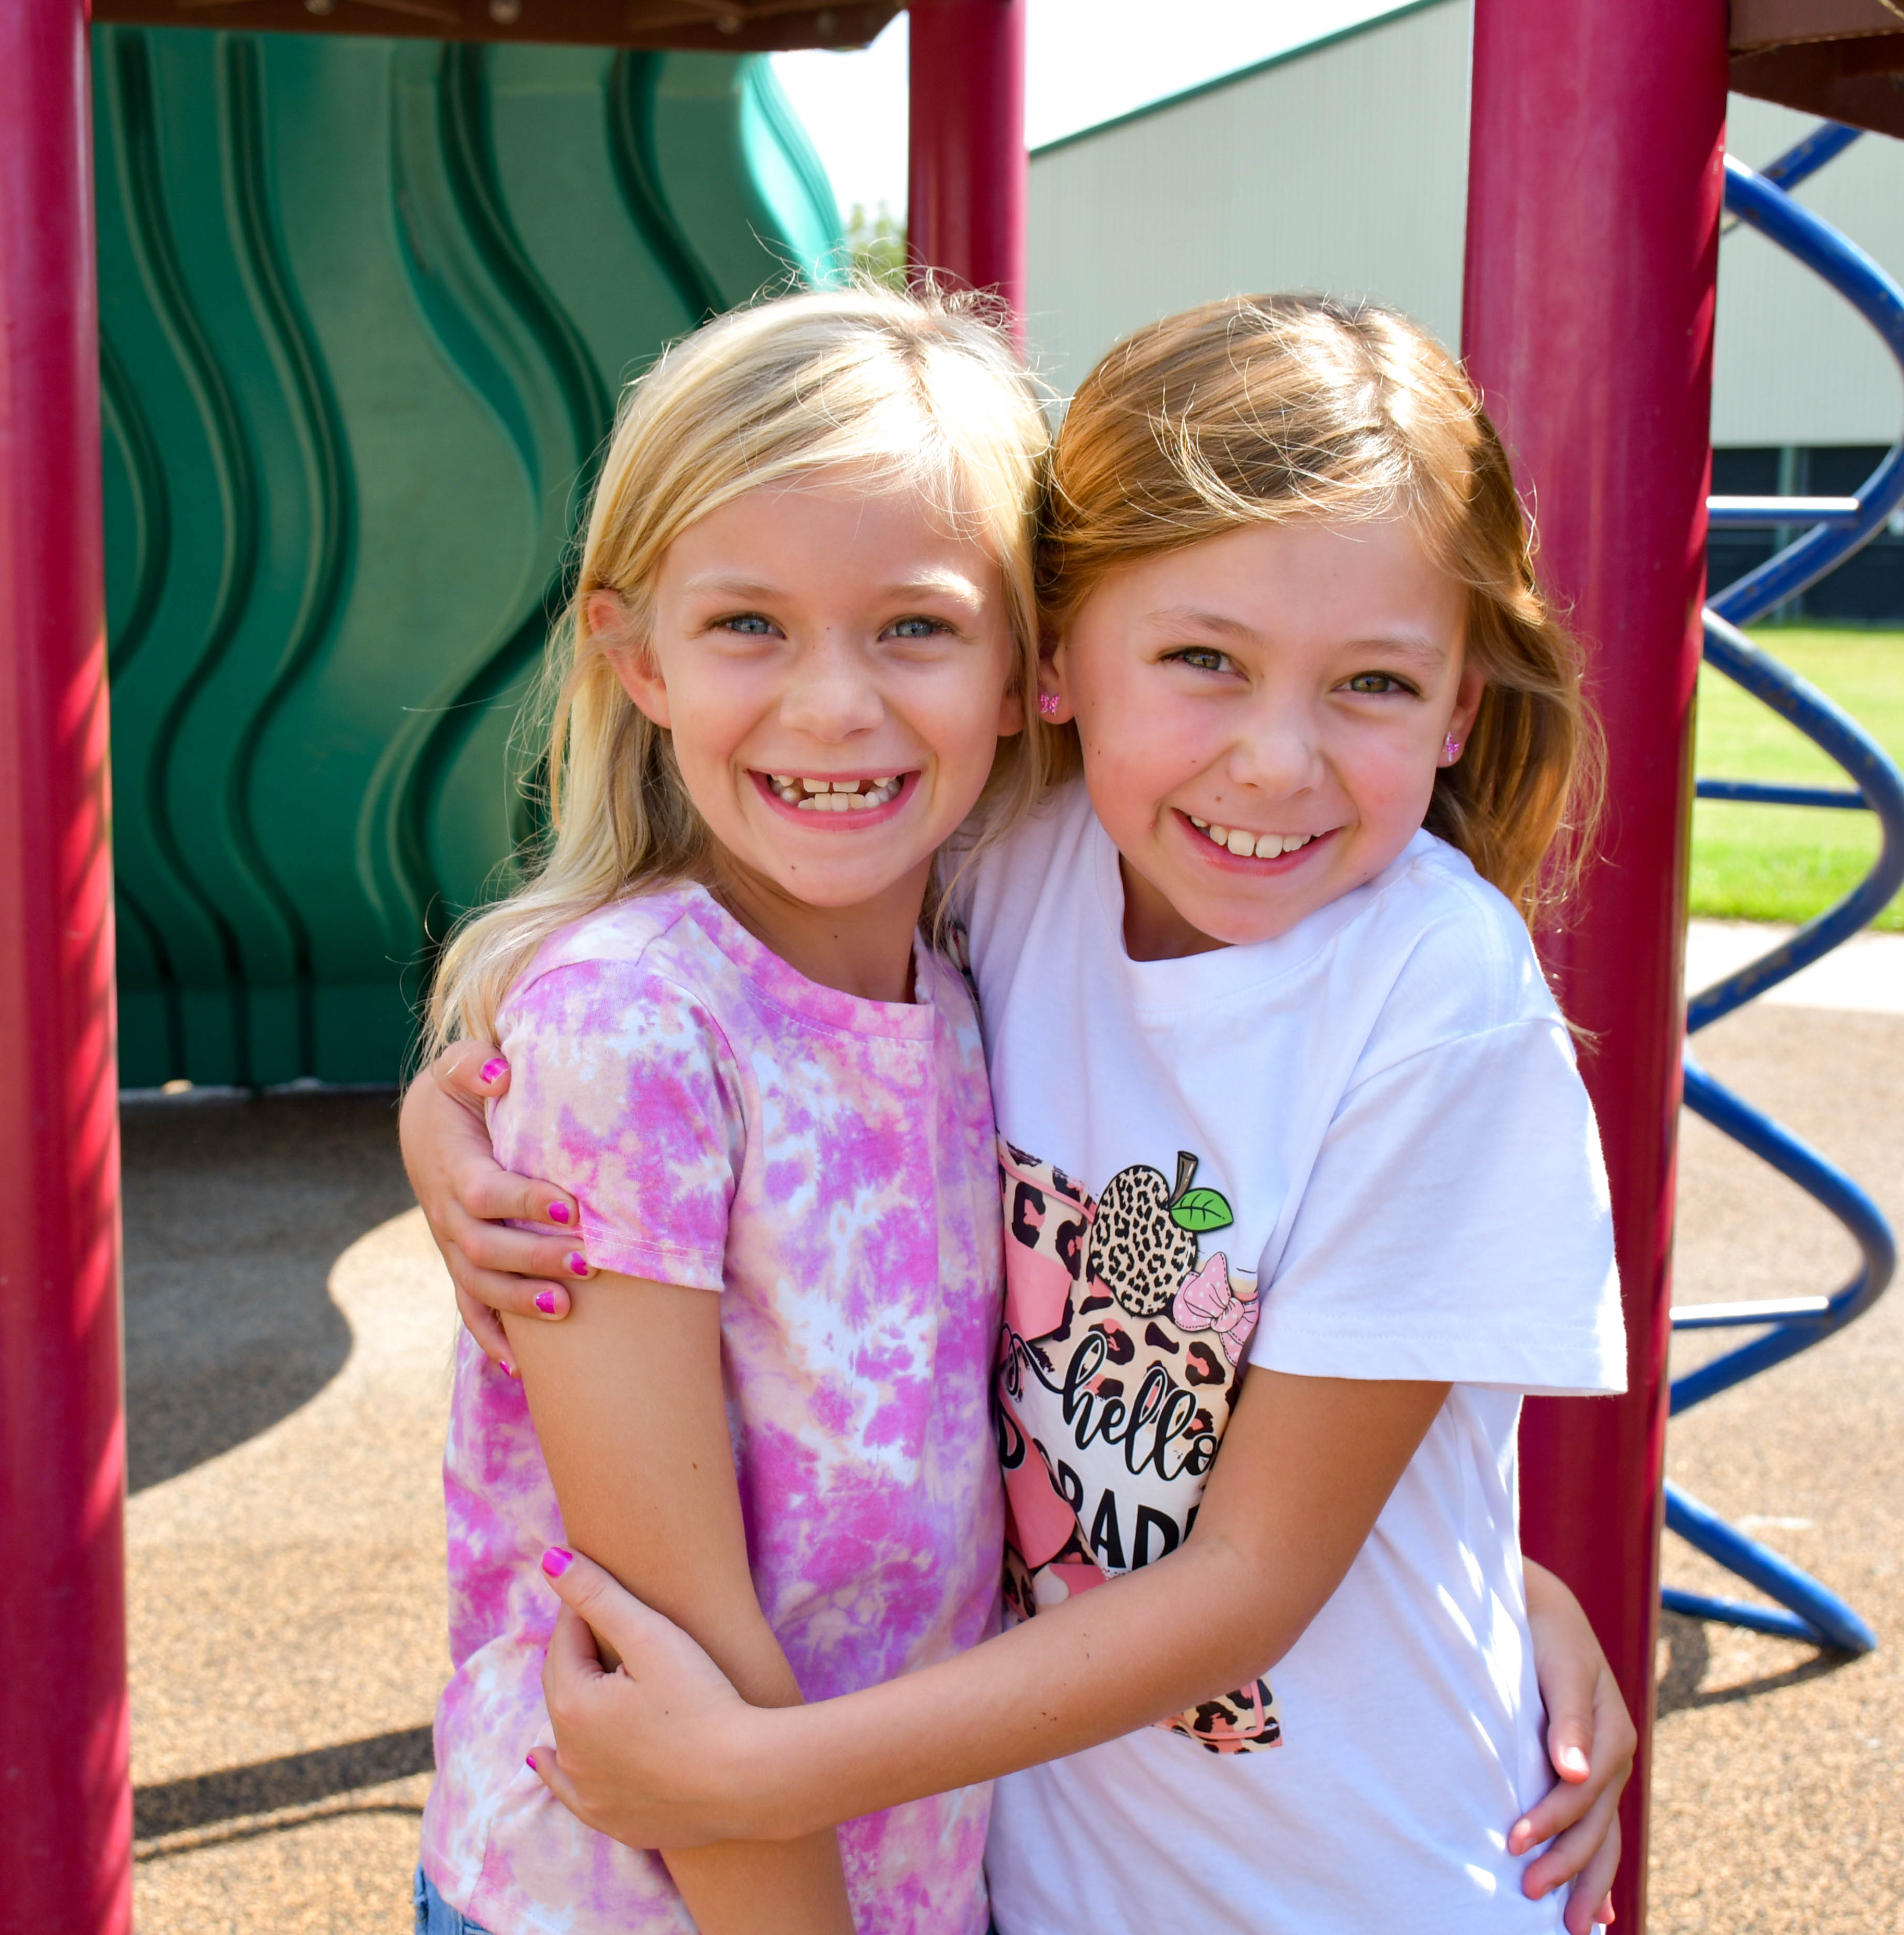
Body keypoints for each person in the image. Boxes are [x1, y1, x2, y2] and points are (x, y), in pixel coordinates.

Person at [404, 295, 1637, 1935]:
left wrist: (1494, 1583)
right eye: (1202, 659)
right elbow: (639, 1017)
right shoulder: (1015, 870)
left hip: (1341, 1883)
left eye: (1371, 685)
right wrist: (457, 1113)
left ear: (1461, 703)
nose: (1270, 761)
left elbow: (1261, 1565)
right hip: (960, 1883)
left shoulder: (1428, 998)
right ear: (1058, 670)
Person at [412, 284, 1057, 1935]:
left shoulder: (975, 963)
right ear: (633, 657)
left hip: (899, 1875)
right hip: (648, 1898)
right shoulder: (634, 1033)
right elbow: (664, 1620)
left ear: (1022, 668)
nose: (834, 705)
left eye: (913, 624)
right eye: (748, 626)